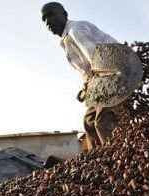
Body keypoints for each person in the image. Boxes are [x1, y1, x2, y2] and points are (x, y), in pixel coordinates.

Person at [41, 2, 120, 150]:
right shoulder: (67, 40)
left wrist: (93, 86)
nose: (48, 22)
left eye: (51, 15)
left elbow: (99, 61)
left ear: (64, 15)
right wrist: (85, 89)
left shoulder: (75, 31)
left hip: (115, 72)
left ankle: (118, 157)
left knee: (102, 122)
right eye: (44, 19)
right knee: (89, 122)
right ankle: (97, 160)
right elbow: (90, 70)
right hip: (99, 79)